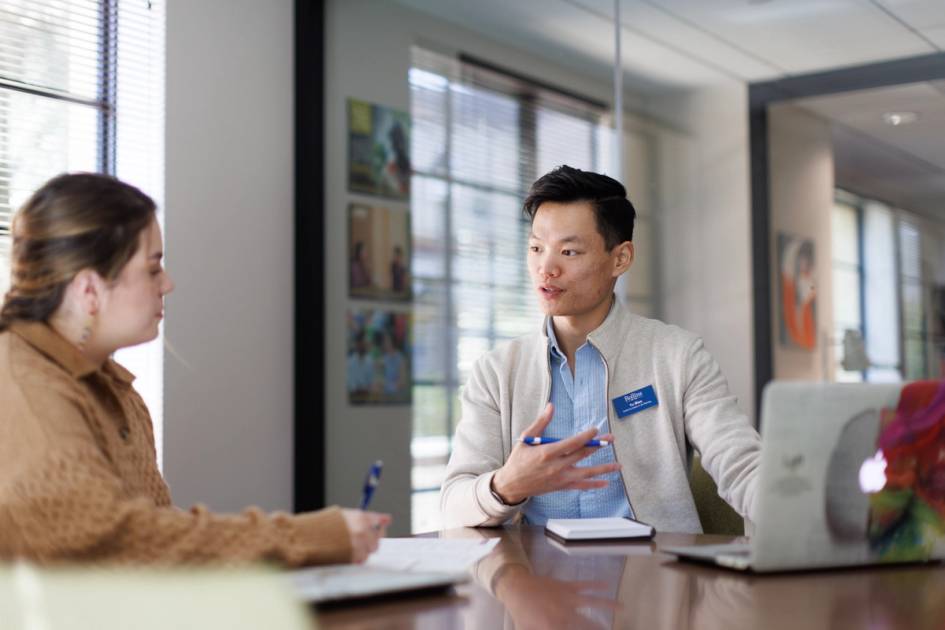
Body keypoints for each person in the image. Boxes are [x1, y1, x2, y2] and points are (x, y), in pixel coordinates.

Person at [0, 173, 389, 565]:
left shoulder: (113, 390)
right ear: (89, 290)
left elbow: (160, 535)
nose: (167, 283)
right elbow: (117, 542)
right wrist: (312, 537)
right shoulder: (24, 390)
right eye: (153, 268)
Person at [441, 165, 761, 532]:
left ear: (620, 258)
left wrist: (807, 525)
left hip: (653, 577)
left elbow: (741, 466)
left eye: (569, 251)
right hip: (533, 580)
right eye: (535, 248)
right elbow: (453, 505)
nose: (546, 267)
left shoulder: (678, 357)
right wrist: (507, 485)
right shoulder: (497, 371)